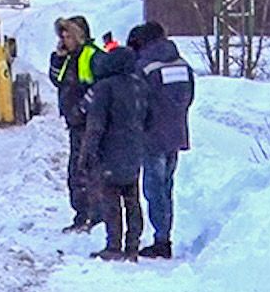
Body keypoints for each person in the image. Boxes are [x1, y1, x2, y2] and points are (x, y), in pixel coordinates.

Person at [129, 21, 194, 258]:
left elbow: (138, 101)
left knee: (153, 189)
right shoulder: (182, 64)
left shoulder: (144, 67)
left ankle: (161, 241)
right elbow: (188, 97)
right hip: (175, 133)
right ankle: (164, 235)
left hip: (151, 136)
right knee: (166, 186)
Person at [83, 41, 150, 261]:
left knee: (111, 199)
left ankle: (114, 245)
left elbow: (96, 123)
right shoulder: (140, 85)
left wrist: (88, 152)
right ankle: (133, 245)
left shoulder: (105, 87)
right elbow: (148, 117)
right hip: (135, 149)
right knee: (132, 198)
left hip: (110, 150)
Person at [50, 16, 103, 233]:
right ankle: (82, 215)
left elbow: (101, 88)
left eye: (69, 35)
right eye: (62, 35)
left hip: (89, 123)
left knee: (88, 171)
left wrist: (83, 108)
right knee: (77, 171)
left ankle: (94, 216)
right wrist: (58, 59)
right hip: (75, 123)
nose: (65, 39)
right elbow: (57, 80)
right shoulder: (68, 57)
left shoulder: (91, 56)